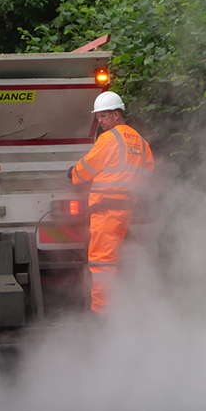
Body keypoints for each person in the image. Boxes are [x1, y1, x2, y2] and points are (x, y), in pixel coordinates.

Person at [68, 91, 155, 314]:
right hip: (125, 212)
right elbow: (147, 173)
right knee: (114, 261)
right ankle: (125, 308)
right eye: (98, 117)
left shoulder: (109, 139)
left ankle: (101, 314)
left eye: (104, 116)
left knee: (101, 264)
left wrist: (73, 173)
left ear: (117, 115)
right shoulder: (141, 142)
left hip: (105, 212)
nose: (100, 121)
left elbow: (87, 168)